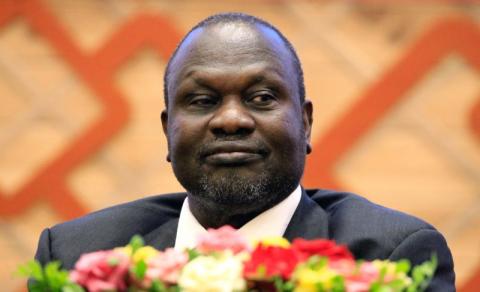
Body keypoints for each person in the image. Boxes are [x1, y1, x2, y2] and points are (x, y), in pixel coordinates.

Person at [32, 13, 455, 290]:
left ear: (305, 123)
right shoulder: (78, 256)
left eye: (262, 97)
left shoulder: (388, 256)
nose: (231, 120)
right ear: (167, 132)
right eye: (202, 100)